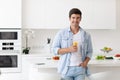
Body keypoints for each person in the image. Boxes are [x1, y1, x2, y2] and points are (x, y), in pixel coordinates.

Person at [52, 8, 93, 80]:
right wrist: (69, 49)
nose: (75, 20)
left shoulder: (86, 35)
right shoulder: (61, 33)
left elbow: (90, 51)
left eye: (78, 18)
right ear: (69, 18)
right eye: (73, 18)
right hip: (66, 69)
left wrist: (85, 63)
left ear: (80, 19)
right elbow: (54, 49)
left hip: (80, 69)